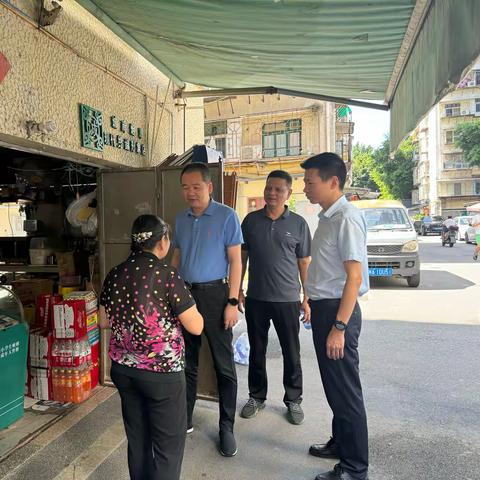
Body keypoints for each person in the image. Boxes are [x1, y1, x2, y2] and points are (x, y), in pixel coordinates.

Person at [98, 214, 203, 480]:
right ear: (163, 242)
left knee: (139, 440)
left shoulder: (115, 273)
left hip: (124, 371)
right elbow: (196, 326)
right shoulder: (167, 276)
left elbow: (102, 320)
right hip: (162, 375)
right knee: (168, 446)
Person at [302, 153, 370, 480]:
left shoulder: (346, 218)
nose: (305, 188)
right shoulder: (328, 217)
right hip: (325, 308)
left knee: (346, 392)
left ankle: (355, 469)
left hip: (337, 313)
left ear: (333, 182)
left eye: (310, 182)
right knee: (334, 387)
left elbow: (354, 278)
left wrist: (339, 327)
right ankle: (340, 442)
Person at [171, 162, 243, 457]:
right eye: (185, 187)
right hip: (186, 294)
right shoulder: (181, 218)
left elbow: (236, 261)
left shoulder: (227, 216)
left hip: (216, 295)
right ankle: (185, 418)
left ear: (209, 187)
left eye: (196, 187)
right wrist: (170, 291)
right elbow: (177, 256)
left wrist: (233, 302)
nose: (190, 193)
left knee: (223, 364)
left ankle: (227, 426)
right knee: (186, 361)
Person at [239, 170, 311, 425]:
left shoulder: (299, 224)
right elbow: (242, 258)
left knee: (292, 351)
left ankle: (293, 400)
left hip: (288, 299)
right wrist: (237, 289)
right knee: (256, 351)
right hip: (257, 298)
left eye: (278, 189)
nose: (272, 193)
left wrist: (306, 297)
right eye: (269, 188)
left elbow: (304, 262)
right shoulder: (250, 221)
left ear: (288, 194)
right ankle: (256, 397)